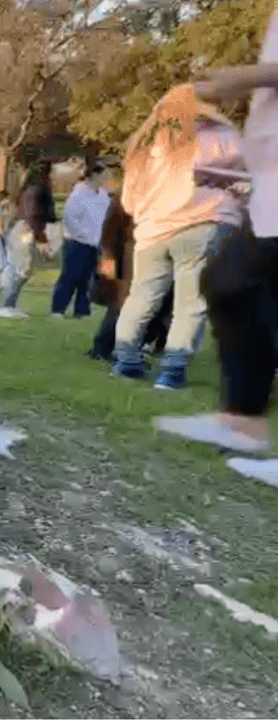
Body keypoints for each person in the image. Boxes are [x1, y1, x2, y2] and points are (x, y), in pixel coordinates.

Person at [154, 6, 278, 475]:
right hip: (270, 186)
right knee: (229, 282)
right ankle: (242, 422)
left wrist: (243, 78)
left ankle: (242, 421)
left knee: (235, 282)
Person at [110, 84, 244, 390]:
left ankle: (125, 360)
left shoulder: (143, 148)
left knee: (142, 297)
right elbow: (253, 178)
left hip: (152, 230)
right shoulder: (222, 138)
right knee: (190, 301)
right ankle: (172, 370)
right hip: (203, 224)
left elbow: (129, 202)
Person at [88, 194, 173, 361]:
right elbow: (109, 231)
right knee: (122, 306)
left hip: (147, 256)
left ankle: (127, 349)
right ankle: (105, 348)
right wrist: (108, 259)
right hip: (128, 258)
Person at [51, 163, 111, 318]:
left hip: (95, 243)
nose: (106, 178)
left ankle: (82, 310)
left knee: (88, 279)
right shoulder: (79, 194)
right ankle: (58, 309)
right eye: (104, 174)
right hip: (76, 242)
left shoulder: (103, 195)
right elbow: (70, 219)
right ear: (94, 175)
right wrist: (81, 234)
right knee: (70, 277)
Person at [0, 161, 56, 318]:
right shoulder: (36, 190)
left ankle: (10, 303)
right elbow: (33, 215)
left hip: (23, 228)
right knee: (20, 269)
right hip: (26, 230)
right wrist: (41, 238)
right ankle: (7, 305)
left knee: (23, 268)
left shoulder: (30, 189)